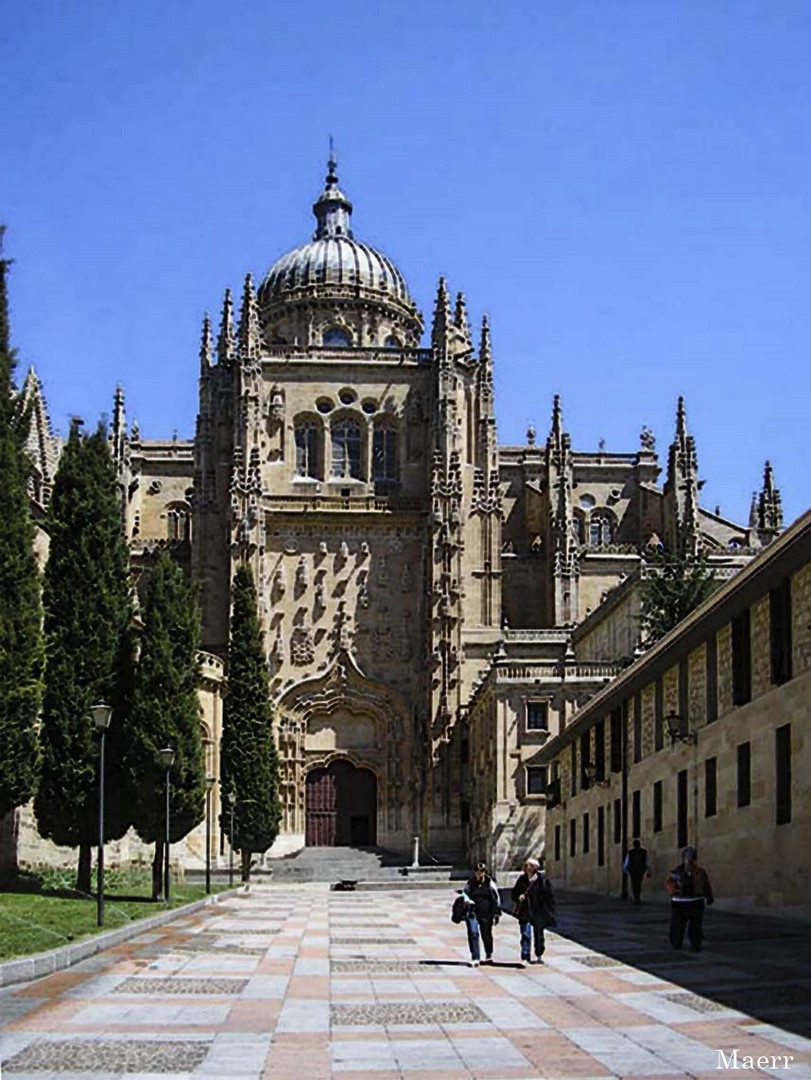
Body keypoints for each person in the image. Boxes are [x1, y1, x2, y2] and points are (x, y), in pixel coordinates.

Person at [665, 846, 714, 952]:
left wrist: (709, 897)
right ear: (684, 859)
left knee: (695, 926)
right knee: (678, 925)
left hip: (695, 901)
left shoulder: (700, 872)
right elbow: (670, 885)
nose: (689, 860)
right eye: (688, 858)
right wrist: (675, 889)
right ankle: (677, 943)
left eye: (691, 858)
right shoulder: (676, 872)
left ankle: (695, 944)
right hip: (680, 902)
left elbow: (706, 885)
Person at [511, 856, 556, 967]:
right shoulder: (521, 880)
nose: (526, 867)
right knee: (525, 934)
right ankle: (525, 956)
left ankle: (539, 954)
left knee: (539, 935)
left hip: (538, 911)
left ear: (534, 868)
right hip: (525, 911)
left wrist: (549, 912)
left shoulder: (543, 881)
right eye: (526, 865)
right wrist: (518, 897)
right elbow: (513, 894)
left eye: (528, 865)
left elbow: (549, 897)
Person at [461, 862, 501, 967]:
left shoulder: (489, 883)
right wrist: (467, 899)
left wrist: (497, 913)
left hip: (486, 912)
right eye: (478, 872)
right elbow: (464, 892)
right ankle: (475, 957)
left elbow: (496, 898)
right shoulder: (470, 883)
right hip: (473, 911)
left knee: (486, 933)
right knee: (473, 933)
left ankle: (488, 954)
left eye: (482, 872)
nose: (479, 874)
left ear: (485, 872)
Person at [623, 839, 651, 904]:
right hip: (641, 870)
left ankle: (636, 897)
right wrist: (649, 871)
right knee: (638, 883)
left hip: (633, 870)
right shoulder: (644, 852)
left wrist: (625, 870)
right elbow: (647, 862)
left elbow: (627, 862)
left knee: (634, 884)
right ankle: (637, 897)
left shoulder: (630, 852)